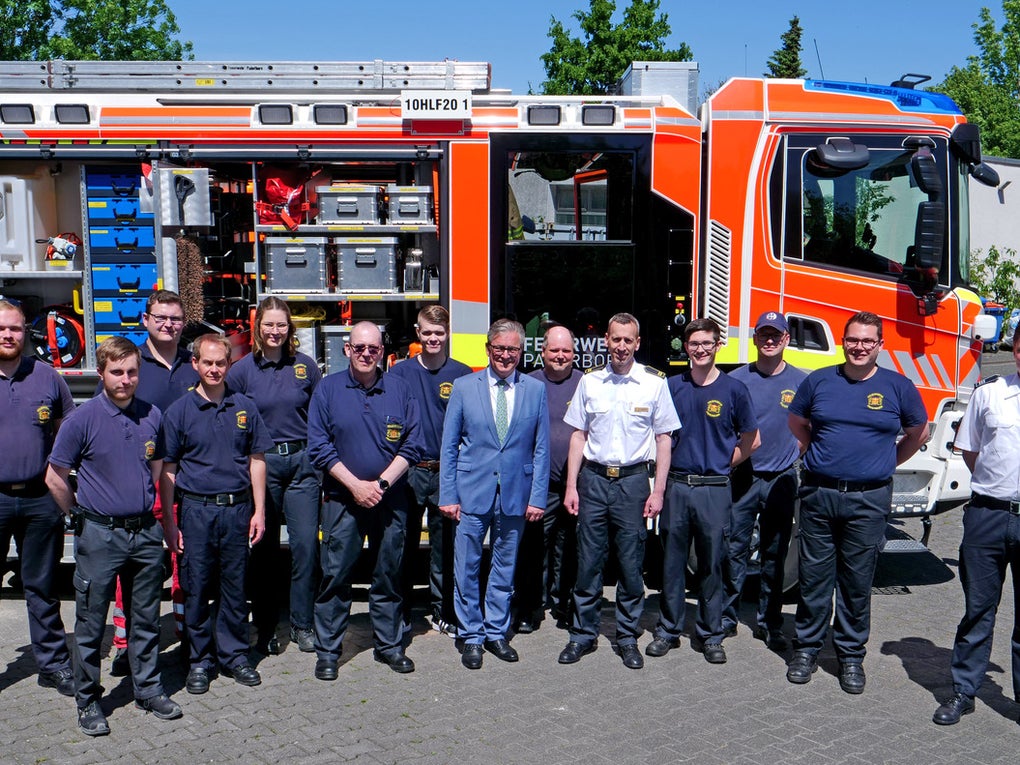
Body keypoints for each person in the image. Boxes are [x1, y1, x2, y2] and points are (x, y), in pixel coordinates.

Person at [46, 337, 182, 736]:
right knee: (91, 623)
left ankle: (148, 689)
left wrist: (156, 517)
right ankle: (88, 699)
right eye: (117, 372)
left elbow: (157, 467)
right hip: (100, 535)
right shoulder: (82, 420)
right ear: (102, 373)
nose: (125, 379)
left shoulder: (152, 415)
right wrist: (76, 515)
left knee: (146, 619)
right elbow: (54, 476)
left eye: (132, 372)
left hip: (144, 533)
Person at [786, 311, 928, 694]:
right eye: (853, 339)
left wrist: (885, 463)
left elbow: (918, 433)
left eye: (867, 340)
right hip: (819, 494)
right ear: (842, 341)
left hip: (868, 499)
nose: (859, 347)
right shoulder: (818, 381)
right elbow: (796, 423)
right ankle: (806, 650)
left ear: (880, 344)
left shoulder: (898, 387)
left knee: (856, 581)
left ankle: (850, 656)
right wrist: (818, 455)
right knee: (814, 579)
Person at [558, 312, 680, 670]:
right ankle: (582, 634)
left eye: (628, 340)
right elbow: (578, 435)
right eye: (616, 339)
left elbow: (664, 439)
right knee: (588, 563)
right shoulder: (590, 381)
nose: (622, 346)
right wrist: (571, 486)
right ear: (606, 341)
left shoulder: (654, 383)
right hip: (593, 481)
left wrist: (658, 491)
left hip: (632, 483)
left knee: (630, 565)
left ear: (637, 343)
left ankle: (627, 637)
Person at [159, 333, 274, 695]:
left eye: (220, 363)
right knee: (195, 588)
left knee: (235, 587)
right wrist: (170, 521)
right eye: (207, 362)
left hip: (237, 510)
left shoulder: (245, 408)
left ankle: (235, 656)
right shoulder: (179, 411)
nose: (213, 369)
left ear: (229, 364)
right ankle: (199, 660)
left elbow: (257, 460)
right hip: (196, 511)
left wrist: (259, 511)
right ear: (195, 363)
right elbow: (168, 470)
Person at [307, 321, 422, 679]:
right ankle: (329, 651)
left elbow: (413, 444)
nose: (366, 354)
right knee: (335, 575)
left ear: (382, 351)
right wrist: (356, 485)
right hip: (343, 498)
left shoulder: (400, 389)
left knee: (389, 574)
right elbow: (318, 446)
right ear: (347, 349)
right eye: (359, 348)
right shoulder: (327, 389)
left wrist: (381, 484)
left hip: (390, 499)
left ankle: (389, 645)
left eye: (373, 348)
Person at [439, 319, 550, 669]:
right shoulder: (463, 387)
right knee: (466, 567)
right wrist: (447, 495)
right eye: (499, 348)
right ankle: (471, 634)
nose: (505, 355)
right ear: (488, 349)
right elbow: (449, 447)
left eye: (512, 349)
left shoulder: (535, 390)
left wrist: (537, 497)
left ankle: (496, 631)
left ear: (521, 352)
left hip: (515, 493)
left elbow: (541, 448)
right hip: (471, 492)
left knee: (505, 567)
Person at [647, 318, 758, 665]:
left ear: (717, 345)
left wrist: (724, 464)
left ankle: (710, 635)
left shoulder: (734, 389)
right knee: (671, 564)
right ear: (686, 347)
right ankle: (668, 630)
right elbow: (661, 438)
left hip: (714, 489)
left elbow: (752, 440)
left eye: (707, 343)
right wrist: (660, 489)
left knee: (712, 565)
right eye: (694, 343)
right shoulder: (671, 387)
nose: (700, 349)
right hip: (678, 486)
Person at [933, 322, 1020, 725]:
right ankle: (963, 692)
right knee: (978, 610)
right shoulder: (989, 394)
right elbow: (970, 450)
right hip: (987, 515)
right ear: (1014, 350)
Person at [108, 289, 199, 675]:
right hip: (140, 486)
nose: (168, 325)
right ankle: (125, 645)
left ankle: (187, 636)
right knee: (132, 569)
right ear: (145, 319)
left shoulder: (194, 364)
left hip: (186, 483)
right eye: (160, 317)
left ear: (184, 323)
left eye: (175, 318)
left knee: (185, 564)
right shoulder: (130, 363)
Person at [227, 297, 322, 655]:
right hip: (262, 467)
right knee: (264, 550)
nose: (275, 331)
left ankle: (301, 624)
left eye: (281, 324)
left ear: (290, 328)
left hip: (301, 466)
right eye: (269, 324)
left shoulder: (305, 367)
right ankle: (265, 625)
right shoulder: (241, 372)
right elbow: (230, 421)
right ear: (258, 327)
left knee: (305, 547)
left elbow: (320, 417)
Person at [0, 298, 75, 697]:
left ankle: (53, 665)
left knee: (42, 587)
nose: (8, 335)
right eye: (1, 329)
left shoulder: (47, 377)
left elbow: (68, 431)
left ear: (25, 331)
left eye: (14, 328)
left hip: (39, 500)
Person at [723, 311, 806, 650]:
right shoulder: (736, 380)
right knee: (733, 550)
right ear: (754, 338)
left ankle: (770, 622)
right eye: (764, 334)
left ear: (786, 339)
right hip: (743, 477)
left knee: (775, 553)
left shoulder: (801, 381)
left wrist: (795, 453)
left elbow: (809, 429)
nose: (769, 340)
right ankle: (726, 618)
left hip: (781, 480)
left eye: (776, 335)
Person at [389, 305, 471, 638]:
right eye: (427, 332)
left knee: (445, 547)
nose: (433, 338)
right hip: (408, 471)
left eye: (439, 332)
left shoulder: (463, 374)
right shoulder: (399, 373)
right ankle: (402, 611)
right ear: (418, 333)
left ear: (447, 333)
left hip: (446, 472)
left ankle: (443, 611)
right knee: (403, 545)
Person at [514, 323, 583, 632]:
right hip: (538, 485)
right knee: (532, 549)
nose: (560, 355)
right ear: (542, 352)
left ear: (574, 353)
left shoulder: (585, 383)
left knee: (570, 549)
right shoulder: (528, 383)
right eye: (554, 350)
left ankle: (565, 605)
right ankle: (530, 607)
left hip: (576, 484)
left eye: (566, 350)